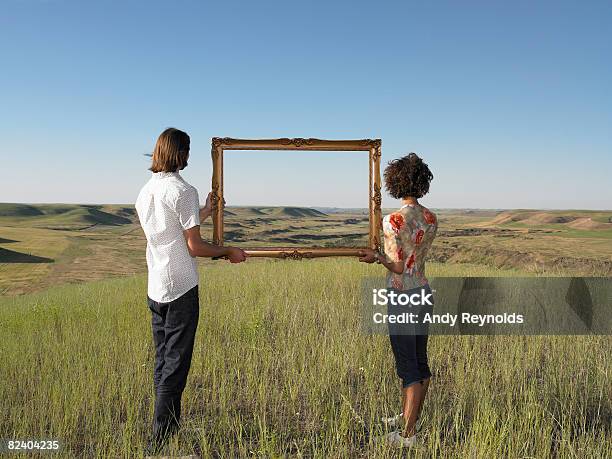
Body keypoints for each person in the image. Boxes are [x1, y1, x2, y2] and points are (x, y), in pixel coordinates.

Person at [135, 128, 247, 453]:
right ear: (181, 154)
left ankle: (167, 428)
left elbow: (173, 228)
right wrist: (228, 252)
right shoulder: (183, 190)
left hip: (155, 286)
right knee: (176, 364)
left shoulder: (145, 192)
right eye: (188, 150)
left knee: (162, 359)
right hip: (181, 286)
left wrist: (207, 212)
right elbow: (194, 246)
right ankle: (160, 440)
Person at [359, 153, 438, 448]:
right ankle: (410, 417)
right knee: (419, 359)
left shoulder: (393, 220)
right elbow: (414, 260)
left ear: (396, 181)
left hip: (402, 295)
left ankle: (407, 435)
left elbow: (397, 265)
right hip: (423, 292)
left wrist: (376, 256)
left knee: (408, 366)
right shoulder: (431, 217)